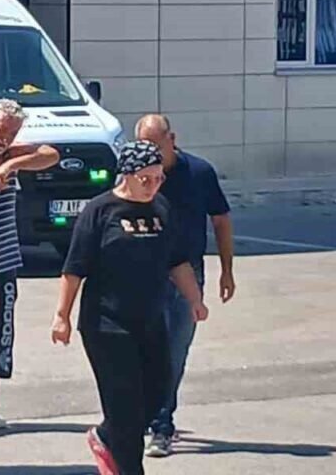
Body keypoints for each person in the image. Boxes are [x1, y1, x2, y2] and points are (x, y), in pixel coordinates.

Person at [52, 140, 208, 475]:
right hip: (106, 323)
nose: (152, 185)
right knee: (124, 406)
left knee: (157, 393)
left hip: (151, 320)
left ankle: (105, 436)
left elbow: (178, 261)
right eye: (145, 179)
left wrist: (195, 299)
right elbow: (74, 268)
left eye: (158, 178)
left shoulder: (162, 208)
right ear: (127, 175)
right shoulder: (100, 210)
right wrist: (62, 316)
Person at [135, 115, 236, 457]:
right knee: (143, 351)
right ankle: (142, 416)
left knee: (174, 352)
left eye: (156, 145)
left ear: (172, 139)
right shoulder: (136, 174)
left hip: (188, 276)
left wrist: (227, 270)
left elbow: (220, 220)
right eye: (145, 146)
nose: (151, 153)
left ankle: (162, 425)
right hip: (145, 276)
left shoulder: (199, 173)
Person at [0, 98, 59, 431]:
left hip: (2, 262)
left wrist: (10, 166)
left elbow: (51, 154)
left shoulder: (13, 155)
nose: (3, 137)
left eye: (11, 132)